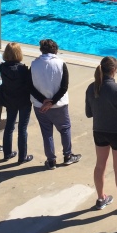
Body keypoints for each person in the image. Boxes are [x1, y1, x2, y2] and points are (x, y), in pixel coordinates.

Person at [85, 56, 117, 213]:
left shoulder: (91, 88)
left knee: (100, 165)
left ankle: (101, 198)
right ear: (114, 70)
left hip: (99, 131)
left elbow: (89, 113)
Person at [30, 39, 82, 170]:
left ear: (41, 50)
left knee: (47, 133)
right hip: (59, 105)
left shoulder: (34, 64)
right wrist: (52, 101)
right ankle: (67, 156)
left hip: (40, 105)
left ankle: (51, 161)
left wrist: (44, 101)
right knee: (65, 130)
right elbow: (64, 87)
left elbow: (30, 87)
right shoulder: (61, 63)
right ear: (56, 50)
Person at [0, 42, 34, 163]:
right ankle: (22, 156)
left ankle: (7, 153)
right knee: (22, 128)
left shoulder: (3, 67)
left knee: (9, 126)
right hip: (24, 101)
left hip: (10, 99)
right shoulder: (23, 69)